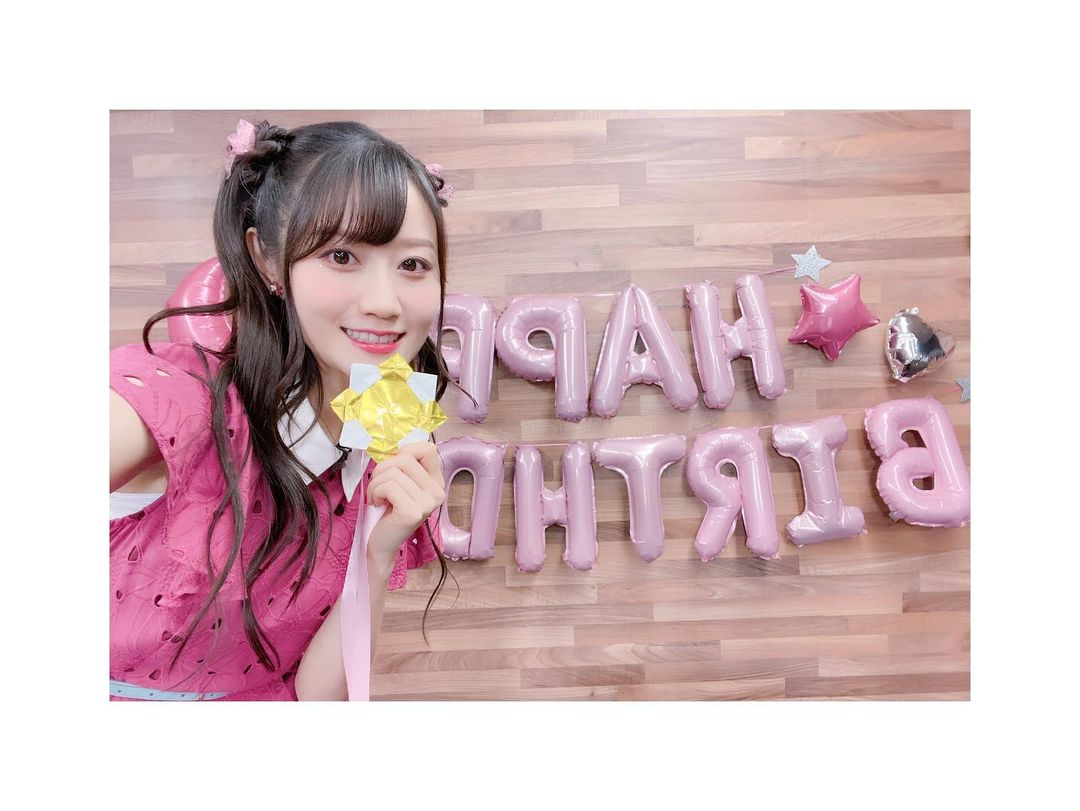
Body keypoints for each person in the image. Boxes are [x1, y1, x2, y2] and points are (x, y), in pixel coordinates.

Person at [109, 119, 473, 700]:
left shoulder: (387, 457)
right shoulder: (182, 400)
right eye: (342, 255)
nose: (385, 303)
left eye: (412, 265)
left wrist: (377, 553)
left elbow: (315, 697)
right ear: (267, 260)